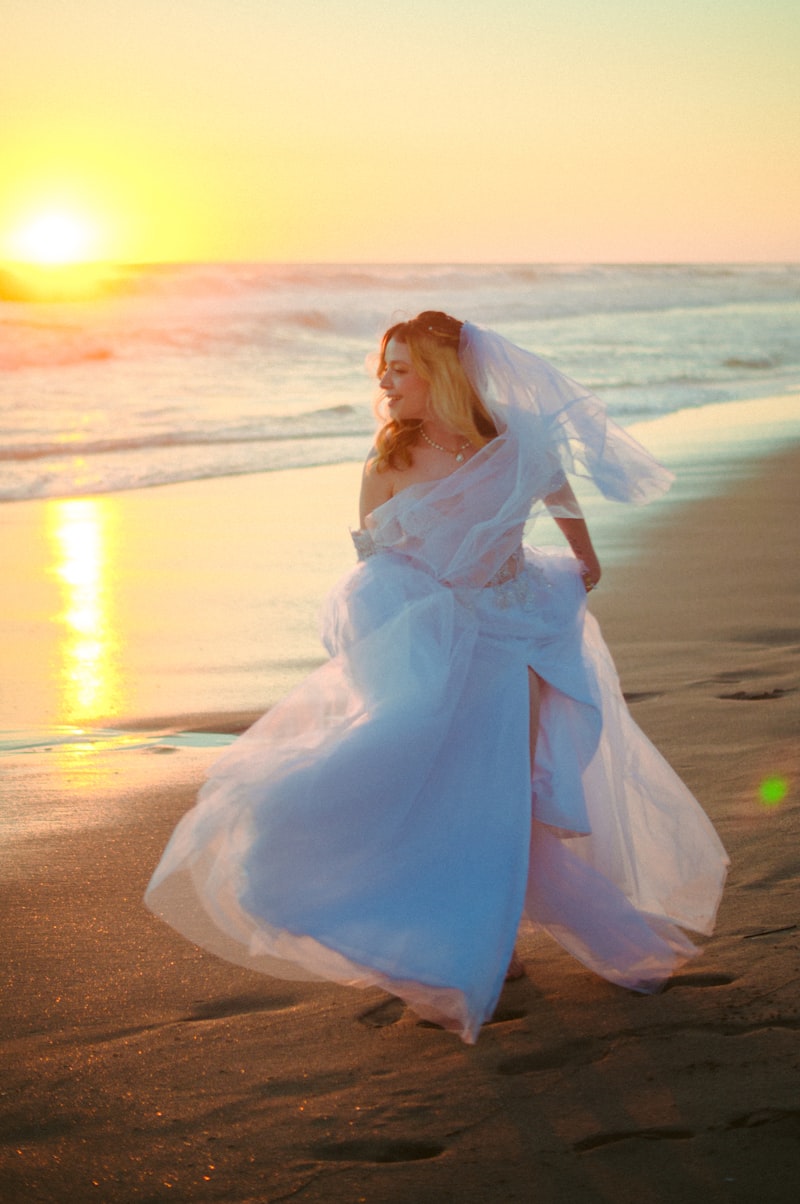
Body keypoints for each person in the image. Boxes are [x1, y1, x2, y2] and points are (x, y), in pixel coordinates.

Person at [146, 311, 728, 1044]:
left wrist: (583, 553)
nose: (385, 383)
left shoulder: (512, 439)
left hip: (513, 634)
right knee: (429, 780)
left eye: (400, 368)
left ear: (442, 373)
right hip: (432, 637)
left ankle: (493, 943)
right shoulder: (390, 455)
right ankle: (417, 921)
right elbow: (370, 556)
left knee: (501, 793)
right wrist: (418, 608)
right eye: (381, 369)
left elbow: (556, 487)